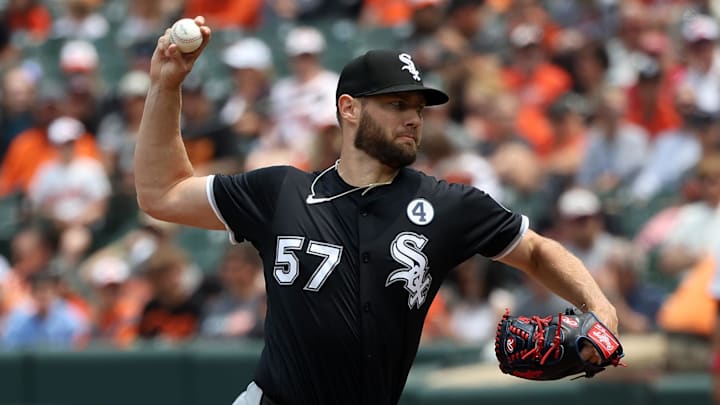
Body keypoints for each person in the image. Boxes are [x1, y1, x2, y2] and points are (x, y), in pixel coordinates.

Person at [134, 17, 618, 405]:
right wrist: (167, 86)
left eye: (419, 108)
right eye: (396, 103)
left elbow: (533, 251)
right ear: (350, 109)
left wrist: (600, 307)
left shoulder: (448, 204)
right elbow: (163, 192)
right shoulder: (281, 191)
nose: (413, 117)